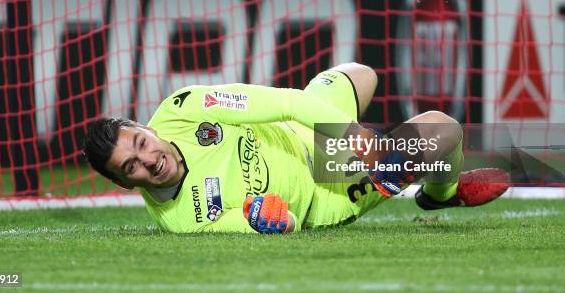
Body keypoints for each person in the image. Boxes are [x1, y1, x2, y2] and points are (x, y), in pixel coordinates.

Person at [82, 63, 508, 234]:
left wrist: (350, 131)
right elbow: (282, 221)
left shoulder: (183, 108)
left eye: (141, 142)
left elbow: (285, 102)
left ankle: (430, 192)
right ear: (125, 184)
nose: (150, 159)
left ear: (144, 126)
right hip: (326, 189)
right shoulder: (182, 220)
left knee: (361, 75)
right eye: (132, 167)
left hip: (302, 132)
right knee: (443, 130)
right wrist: (263, 219)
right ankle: (442, 194)